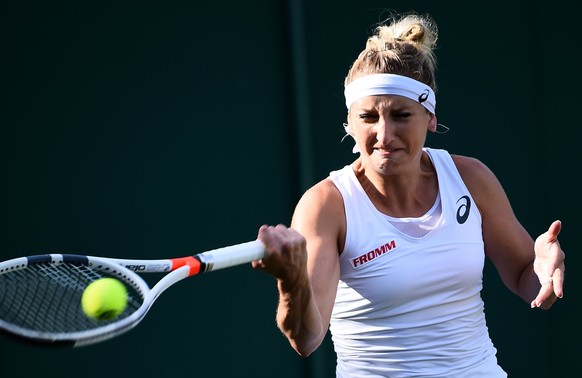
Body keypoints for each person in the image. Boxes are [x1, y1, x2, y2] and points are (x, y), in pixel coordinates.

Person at [251, 12, 566, 377]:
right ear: (349, 123)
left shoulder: (471, 179)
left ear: (430, 117)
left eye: (401, 115)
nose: (384, 135)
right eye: (368, 117)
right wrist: (291, 281)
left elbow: (529, 281)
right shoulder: (326, 205)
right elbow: (306, 340)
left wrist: (545, 273)